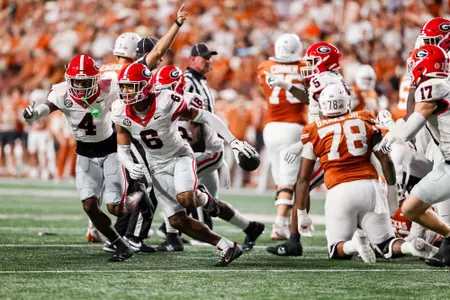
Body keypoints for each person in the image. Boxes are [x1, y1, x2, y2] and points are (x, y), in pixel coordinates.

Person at [111, 62, 259, 266]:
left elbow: (205, 116)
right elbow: (123, 148)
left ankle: (206, 198)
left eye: (131, 86)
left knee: (187, 197)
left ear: (145, 86)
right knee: (176, 220)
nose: (125, 91)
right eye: (123, 86)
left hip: (179, 155)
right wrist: (129, 164)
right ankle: (227, 246)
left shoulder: (166, 101)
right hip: (156, 165)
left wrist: (232, 141)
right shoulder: (119, 111)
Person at [295, 83, 437, 262]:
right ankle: (411, 247)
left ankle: (354, 245)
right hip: (371, 188)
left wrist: (302, 214)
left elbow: (303, 178)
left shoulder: (313, 130)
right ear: (347, 102)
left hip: (339, 191)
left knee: (335, 249)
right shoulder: (364, 118)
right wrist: (392, 193)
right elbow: (385, 160)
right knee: (386, 243)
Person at [22, 54, 138, 262]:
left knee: (117, 209)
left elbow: (132, 93)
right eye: (77, 82)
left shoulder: (109, 86)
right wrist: (34, 114)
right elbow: (47, 106)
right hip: (84, 153)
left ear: (95, 79)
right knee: (89, 206)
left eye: (86, 82)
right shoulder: (61, 92)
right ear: (69, 80)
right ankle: (121, 245)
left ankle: (139, 195)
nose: (82, 87)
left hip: (110, 150)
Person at [152, 65, 265, 252]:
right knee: (209, 202)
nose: (161, 93)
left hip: (207, 152)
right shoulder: (158, 103)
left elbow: (198, 141)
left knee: (169, 183)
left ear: (178, 87)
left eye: (166, 88)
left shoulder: (189, 101)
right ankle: (250, 227)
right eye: (159, 88)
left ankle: (172, 236)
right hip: (191, 153)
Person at [377, 44, 450, 267]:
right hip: (445, 161)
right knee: (410, 207)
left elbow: (407, 134)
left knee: (412, 207)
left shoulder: (432, 87)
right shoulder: (443, 84)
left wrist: (388, 123)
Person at [256, 33, 308, 240]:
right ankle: (279, 225)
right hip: (293, 127)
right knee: (289, 180)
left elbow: (266, 91)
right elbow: (309, 97)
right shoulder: (304, 66)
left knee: (280, 179)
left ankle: (283, 223)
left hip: (271, 127)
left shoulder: (264, 66)